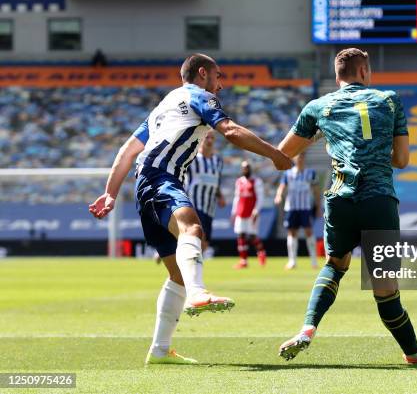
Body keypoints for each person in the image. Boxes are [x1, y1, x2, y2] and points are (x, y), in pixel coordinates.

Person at [89, 53, 292, 365]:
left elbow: (127, 150)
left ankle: (159, 350)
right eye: (218, 76)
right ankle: (198, 294)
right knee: (193, 229)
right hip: (160, 179)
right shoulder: (199, 97)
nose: (220, 85)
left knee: (177, 272)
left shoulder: (163, 106)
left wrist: (109, 193)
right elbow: (232, 131)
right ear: (202, 73)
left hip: (146, 183)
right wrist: (274, 154)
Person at [276, 48, 417, 364]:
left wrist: (319, 136)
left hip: (341, 200)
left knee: (334, 265)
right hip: (379, 200)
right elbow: (402, 160)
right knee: (385, 290)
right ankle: (415, 353)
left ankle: (307, 328)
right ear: (364, 72)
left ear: (337, 76)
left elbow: (282, 156)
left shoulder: (318, 106)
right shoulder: (389, 100)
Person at [274, 152, 321, 270]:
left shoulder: (310, 173)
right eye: (298, 157)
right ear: (294, 159)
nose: (299, 159)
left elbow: (316, 191)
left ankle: (314, 261)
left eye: (301, 157)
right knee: (292, 233)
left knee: (309, 232)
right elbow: (281, 187)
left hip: (305, 208)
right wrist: (278, 196)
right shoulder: (288, 173)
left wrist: (318, 207)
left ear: (304, 158)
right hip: (291, 207)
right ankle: (292, 261)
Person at [184, 129, 226, 260]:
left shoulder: (218, 161)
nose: (210, 140)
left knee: (205, 243)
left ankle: (174, 250)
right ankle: (189, 269)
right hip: (194, 204)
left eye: (212, 138)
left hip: (210, 207)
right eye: (207, 137)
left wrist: (220, 196)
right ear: (201, 139)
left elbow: (216, 182)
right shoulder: (193, 159)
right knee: (198, 237)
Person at [231, 160, 267, 269]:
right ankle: (243, 261)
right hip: (241, 212)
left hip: (251, 213)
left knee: (252, 236)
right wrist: (233, 212)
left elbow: (260, 197)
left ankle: (261, 253)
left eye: (247, 167)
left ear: (250, 168)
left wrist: (256, 210)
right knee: (241, 235)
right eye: (243, 167)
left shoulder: (256, 181)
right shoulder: (239, 182)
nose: (245, 169)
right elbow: (236, 197)